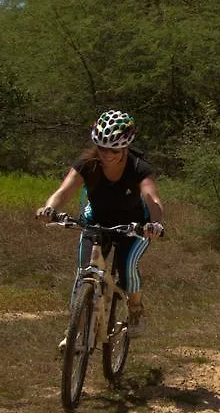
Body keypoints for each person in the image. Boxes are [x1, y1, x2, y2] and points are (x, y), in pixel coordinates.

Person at [36, 110, 165, 340]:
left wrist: (154, 224)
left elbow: (152, 199)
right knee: (84, 272)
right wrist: (49, 209)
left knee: (126, 266)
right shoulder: (87, 164)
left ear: (125, 148)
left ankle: (135, 310)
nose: (106, 154)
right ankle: (75, 328)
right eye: (101, 147)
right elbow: (64, 191)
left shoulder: (138, 168)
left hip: (134, 226)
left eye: (113, 149)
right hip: (96, 221)